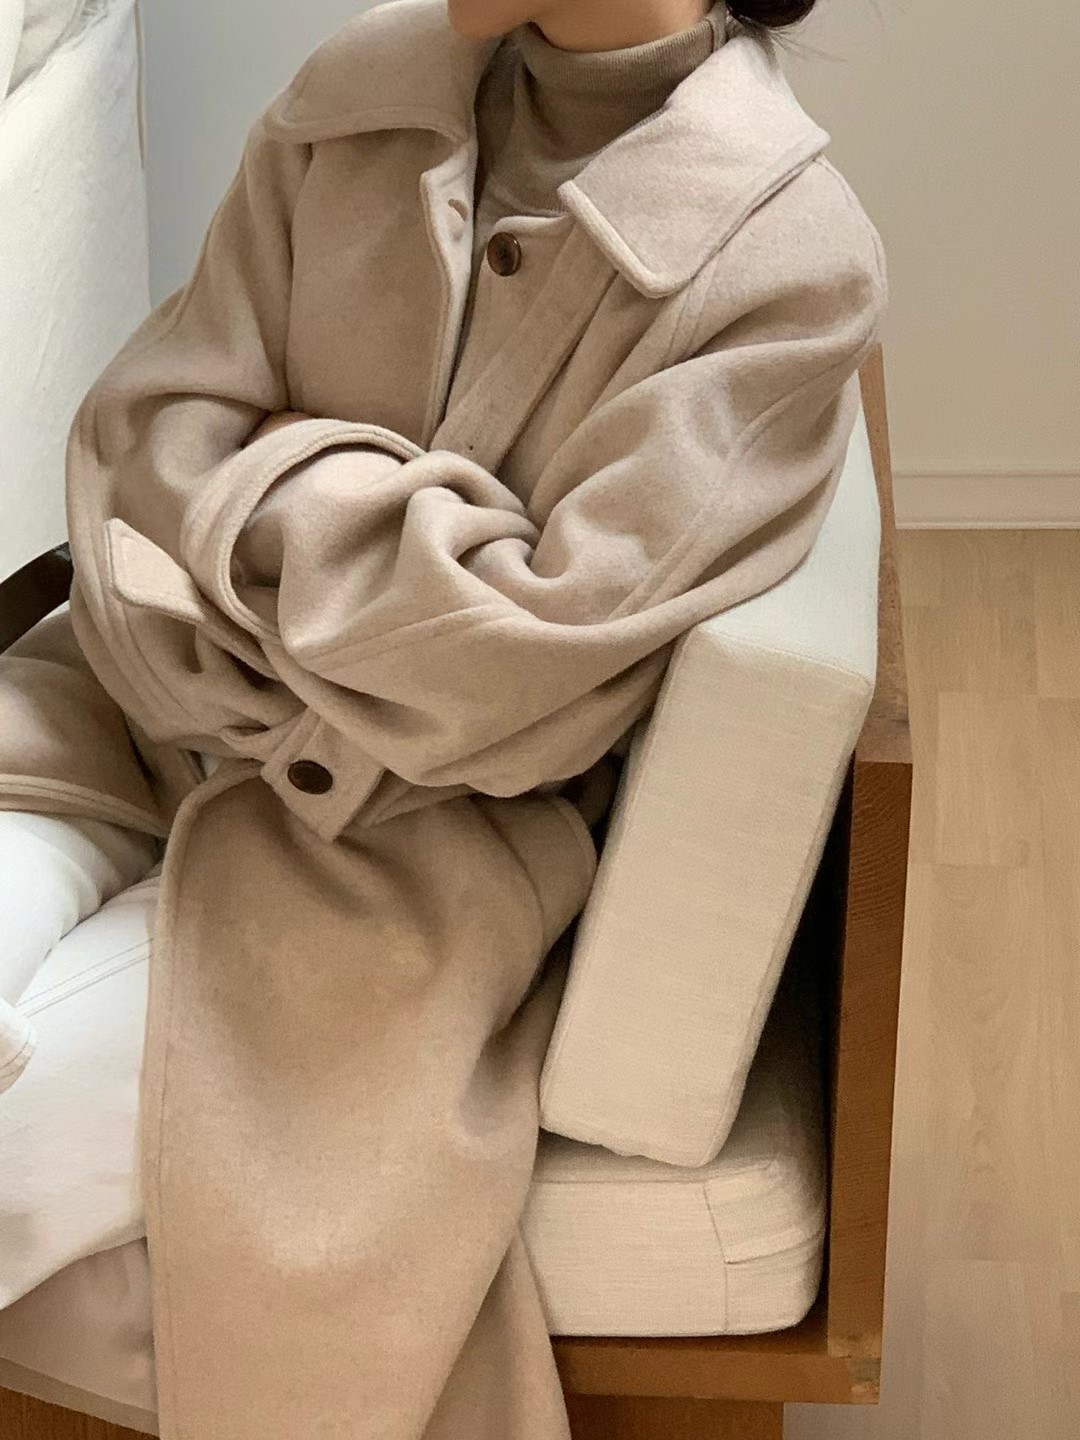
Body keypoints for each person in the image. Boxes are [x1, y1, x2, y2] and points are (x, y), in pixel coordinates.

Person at [0, 0, 885, 1434]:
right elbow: (143, 431)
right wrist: (402, 541)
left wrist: (270, 481)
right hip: (129, 700)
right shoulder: (355, 95)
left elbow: (514, 667)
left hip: (408, 842)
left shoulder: (785, 259)